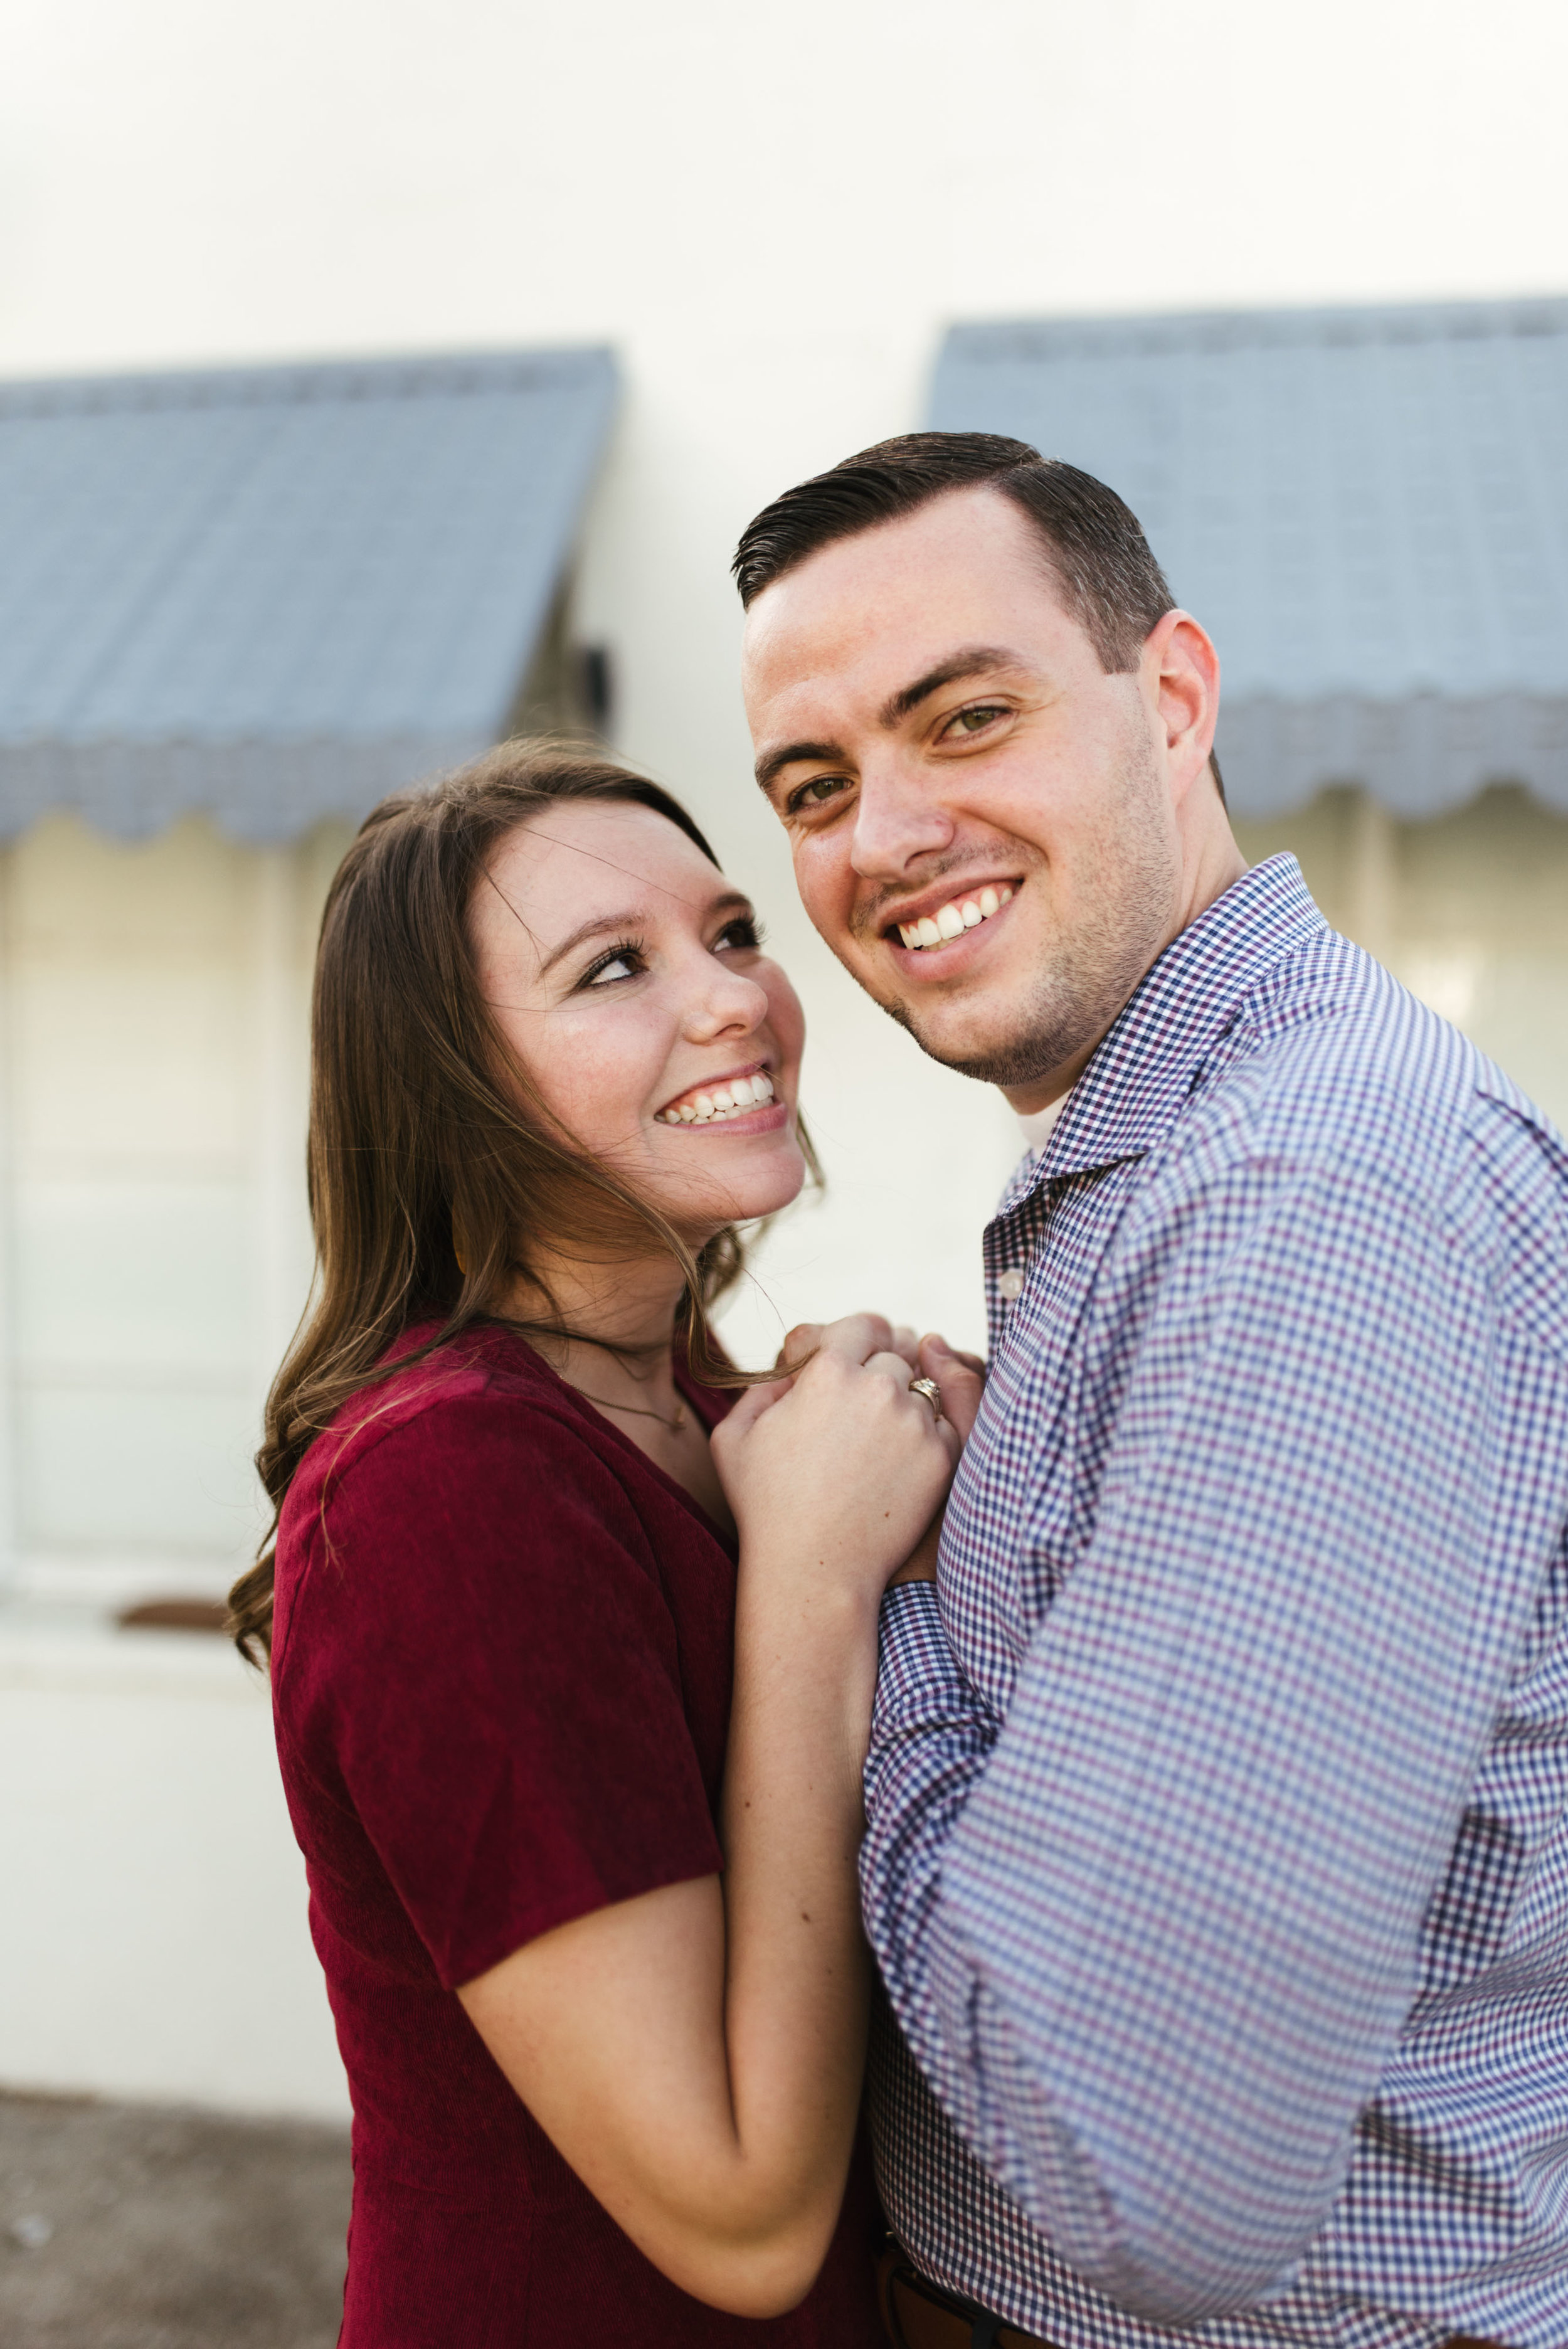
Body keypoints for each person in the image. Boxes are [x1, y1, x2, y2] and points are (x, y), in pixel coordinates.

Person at [732, 433, 1568, 2349]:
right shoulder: (1181, 1157)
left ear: (1169, 696)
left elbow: (1134, 2167)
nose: (882, 836)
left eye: (963, 718)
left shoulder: (1306, 1197)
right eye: (814, 782)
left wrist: (870, 1587)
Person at [226, 742, 974, 2346]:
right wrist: (819, 1574)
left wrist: (941, 1529)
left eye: (729, 932)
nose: (733, 1004)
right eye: (612, 968)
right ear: (454, 1085)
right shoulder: (443, 1493)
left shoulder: (708, 1416)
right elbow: (741, 2212)